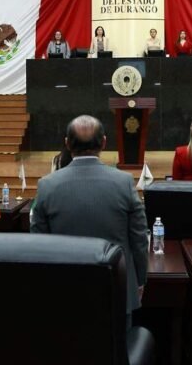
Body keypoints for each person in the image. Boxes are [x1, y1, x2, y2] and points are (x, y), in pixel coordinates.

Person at [31, 115, 148, 327]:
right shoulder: (124, 182)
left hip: (64, 292)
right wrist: (139, 281)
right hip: (117, 289)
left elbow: (38, 245)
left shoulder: (47, 185)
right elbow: (139, 240)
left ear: (67, 144)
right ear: (104, 142)